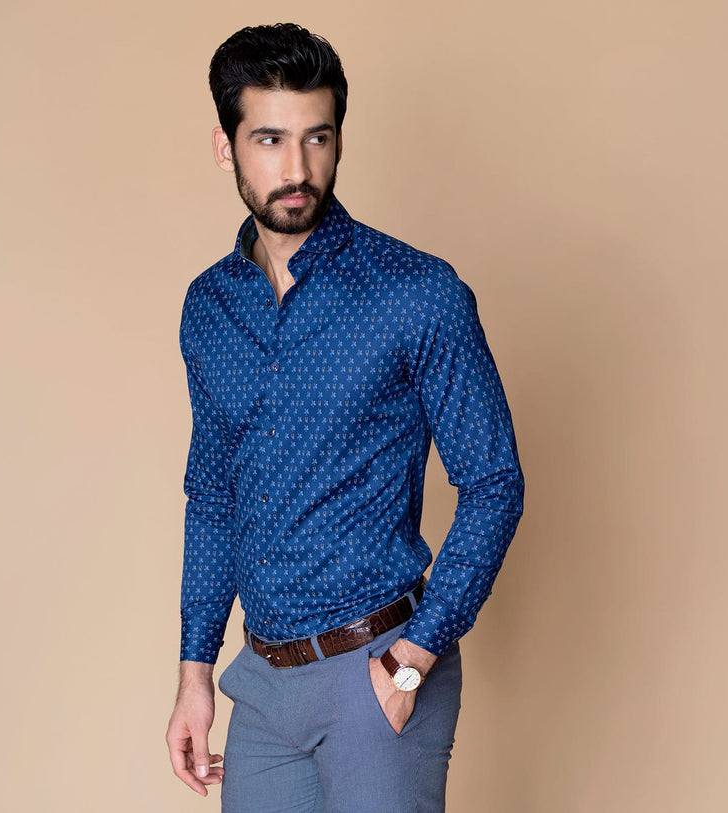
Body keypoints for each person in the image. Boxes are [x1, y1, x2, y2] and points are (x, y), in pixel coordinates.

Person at [163, 23, 526, 812]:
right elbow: (214, 494)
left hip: (377, 669)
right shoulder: (208, 307)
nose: (296, 169)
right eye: (269, 139)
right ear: (227, 147)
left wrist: (412, 660)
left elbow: (494, 482)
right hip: (261, 689)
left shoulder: (417, 293)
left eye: (317, 138)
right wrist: (195, 673)